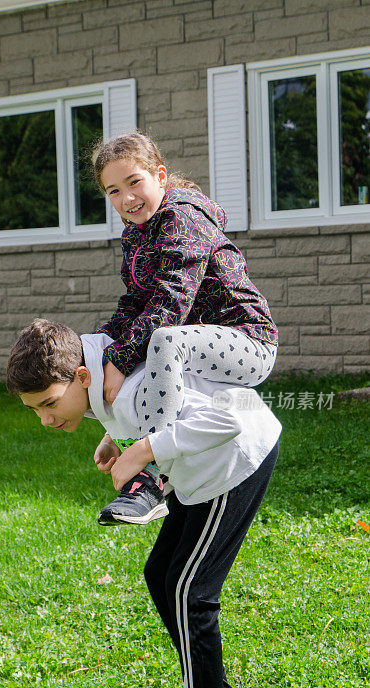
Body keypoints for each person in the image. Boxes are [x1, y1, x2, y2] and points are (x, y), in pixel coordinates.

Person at [6, 318, 281, 688]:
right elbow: (160, 405)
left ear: (80, 376)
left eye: (49, 404)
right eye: (34, 409)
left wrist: (143, 449)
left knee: (189, 592)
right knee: (161, 576)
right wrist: (116, 434)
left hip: (234, 462)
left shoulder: (126, 388)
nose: (46, 419)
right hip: (198, 471)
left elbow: (231, 418)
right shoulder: (100, 374)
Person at [91, 132, 278, 526]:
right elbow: (134, 302)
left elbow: (171, 300)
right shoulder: (135, 232)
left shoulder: (182, 217)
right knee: (151, 342)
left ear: (160, 175)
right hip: (199, 345)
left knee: (163, 339)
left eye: (134, 182)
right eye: (113, 190)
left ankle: (151, 479)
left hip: (248, 340)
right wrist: (107, 350)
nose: (126, 198)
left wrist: (122, 359)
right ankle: (146, 454)